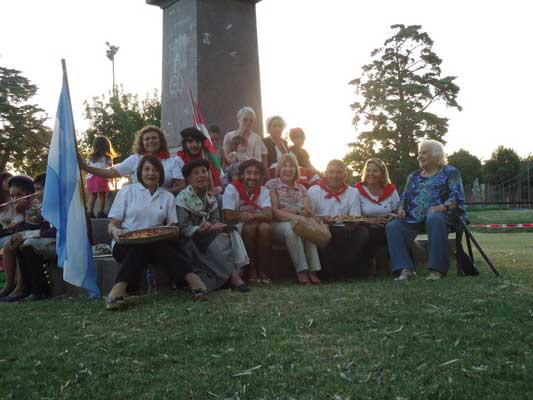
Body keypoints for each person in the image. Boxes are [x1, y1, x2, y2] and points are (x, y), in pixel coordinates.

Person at [106, 155, 208, 311]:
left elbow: (172, 225)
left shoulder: (167, 196)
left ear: (160, 174)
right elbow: (113, 224)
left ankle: (117, 293)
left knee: (157, 245)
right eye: (146, 169)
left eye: (155, 170)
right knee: (139, 247)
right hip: (126, 243)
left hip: (158, 243)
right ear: (140, 172)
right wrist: (116, 232)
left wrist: (171, 231)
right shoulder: (127, 191)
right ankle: (195, 283)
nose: (151, 173)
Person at [386, 140, 466, 281]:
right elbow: (403, 197)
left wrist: (438, 208)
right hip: (413, 217)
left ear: (435, 155)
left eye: (423, 153)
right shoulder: (413, 176)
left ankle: (437, 270)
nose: (419, 156)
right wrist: (400, 208)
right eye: (419, 153)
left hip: (444, 215)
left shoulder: (450, 172)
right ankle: (405, 269)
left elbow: (456, 197)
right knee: (393, 226)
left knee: (434, 218)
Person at [176, 159, 249, 292]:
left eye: (204, 171)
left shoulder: (210, 198)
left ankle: (231, 277)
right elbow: (183, 227)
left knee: (230, 233)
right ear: (188, 179)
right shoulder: (182, 199)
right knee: (219, 240)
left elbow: (215, 219)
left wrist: (211, 224)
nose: (201, 175)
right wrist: (202, 229)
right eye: (196, 173)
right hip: (191, 239)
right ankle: (234, 278)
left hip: (209, 234)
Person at [266, 154, 322, 285]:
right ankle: (301, 271)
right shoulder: (272, 185)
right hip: (278, 224)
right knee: (293, 230)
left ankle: (312, 271)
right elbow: (275, 211)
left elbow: (308, 212)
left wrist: (304, 213)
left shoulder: (301, 188)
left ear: (296, 170)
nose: (288, 169)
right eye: (284, 166)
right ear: (279, 169)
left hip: (299, 221)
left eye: (291, 166)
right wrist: (297, 214)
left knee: (307, 231)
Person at [307, 160, 369, 277]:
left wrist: (351, 223)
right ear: (325, 173)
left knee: (363, 233)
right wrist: (322, 220)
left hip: (344, 228)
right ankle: (331, 273)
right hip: (321, 228)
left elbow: (355, 216)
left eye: (338, 173)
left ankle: (344, 270)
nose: (334, 176)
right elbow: (309, 215)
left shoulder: (353, 192)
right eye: (331, 172)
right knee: (326, 235)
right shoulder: (314, 191)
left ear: (345, 176)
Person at [78, 126, 183, 194]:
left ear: (161, 141)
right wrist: (85, 167)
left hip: (165, 208)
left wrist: (162, 193)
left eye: (154, 138)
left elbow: (181, 186)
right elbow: (110, 172)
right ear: (142, 143)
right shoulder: (135, 159)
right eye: (147, 139)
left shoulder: (171, 161)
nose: (151, 141)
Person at [2, 174, 57, 301]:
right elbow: (17, 232)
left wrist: (18, 214)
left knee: (22, 244)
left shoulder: (35, 207)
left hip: (49, 240)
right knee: (13, 243)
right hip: (36, 238)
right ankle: (13, 286)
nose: (15, 199)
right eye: (12, 196)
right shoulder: (25, 208)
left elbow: (28, 231)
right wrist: (18, 213)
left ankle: (22, 287)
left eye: (19, 195)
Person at [222, 159, 272, 284]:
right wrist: (245, 215)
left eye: (256, 174)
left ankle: (262, 270)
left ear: (260, 176)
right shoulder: (232, 188)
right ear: (242, 175)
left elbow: (268, 214)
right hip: (236, 226)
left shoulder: (263, 190)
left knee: (264, 228)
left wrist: (251, 216)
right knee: (250, 228)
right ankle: (252, 270)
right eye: (249, 173)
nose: (252, 177)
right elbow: (228, 214)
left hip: (255, 222)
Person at [354, 159, 400, 276]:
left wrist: (392, 216)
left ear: (382, 174)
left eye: (375, 171)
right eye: (368, 171)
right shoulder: (357, 190)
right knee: (369, 233)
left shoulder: (390, 189)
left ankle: (398, 266)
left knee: (394, 229)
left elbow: (398, 209)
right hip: (365, 225)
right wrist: (370, 220)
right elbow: (354, 215)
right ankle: (371, 266)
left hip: (387, 224)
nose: (371, 174)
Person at [175, 127, 223, 195]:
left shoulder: (207, 156)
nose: (194, 145)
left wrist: (219, 188)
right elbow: (181, 187)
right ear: (185, 144)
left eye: (197, 141)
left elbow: (219, 181)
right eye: (190, 141)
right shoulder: (178, 160)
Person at [86, 136, 117, 218]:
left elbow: (87, 167)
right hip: (101, 177)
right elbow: (111, 169)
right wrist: (111, 181)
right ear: (107, 146)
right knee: (102, 195)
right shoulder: (108, 157)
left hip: (90, 178)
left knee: (93, 195)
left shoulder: (90, 157)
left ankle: (90, 212)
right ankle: (101, 212)